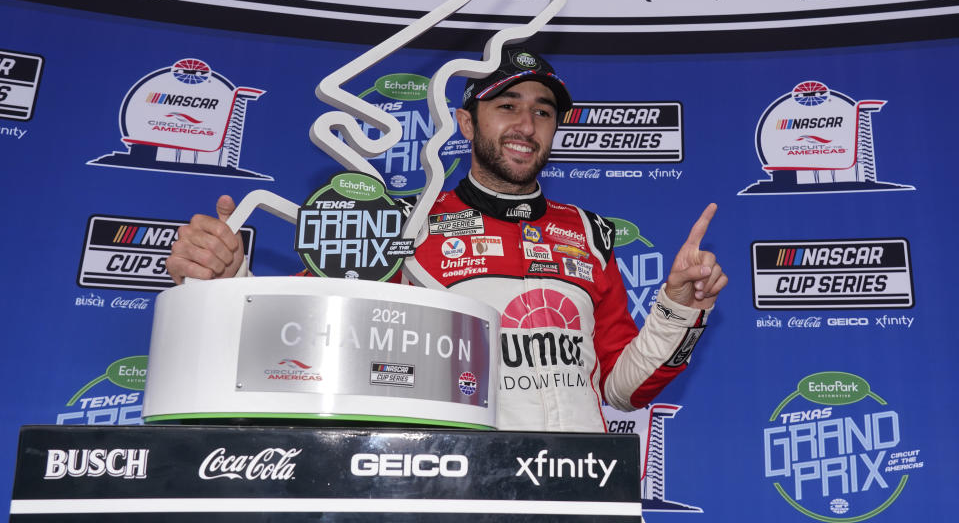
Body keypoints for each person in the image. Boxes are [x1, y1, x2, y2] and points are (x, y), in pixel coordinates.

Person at [167, 47, 727, 432]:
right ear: (465, 123)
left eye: (542, 111)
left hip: (578, 485)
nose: (526, 125)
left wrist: (680, 309)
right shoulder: (398, 221)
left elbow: (622, 389)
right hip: (456, 483)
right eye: (507, 106)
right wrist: (226, 277)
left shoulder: (588, 233)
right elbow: (306, 327)